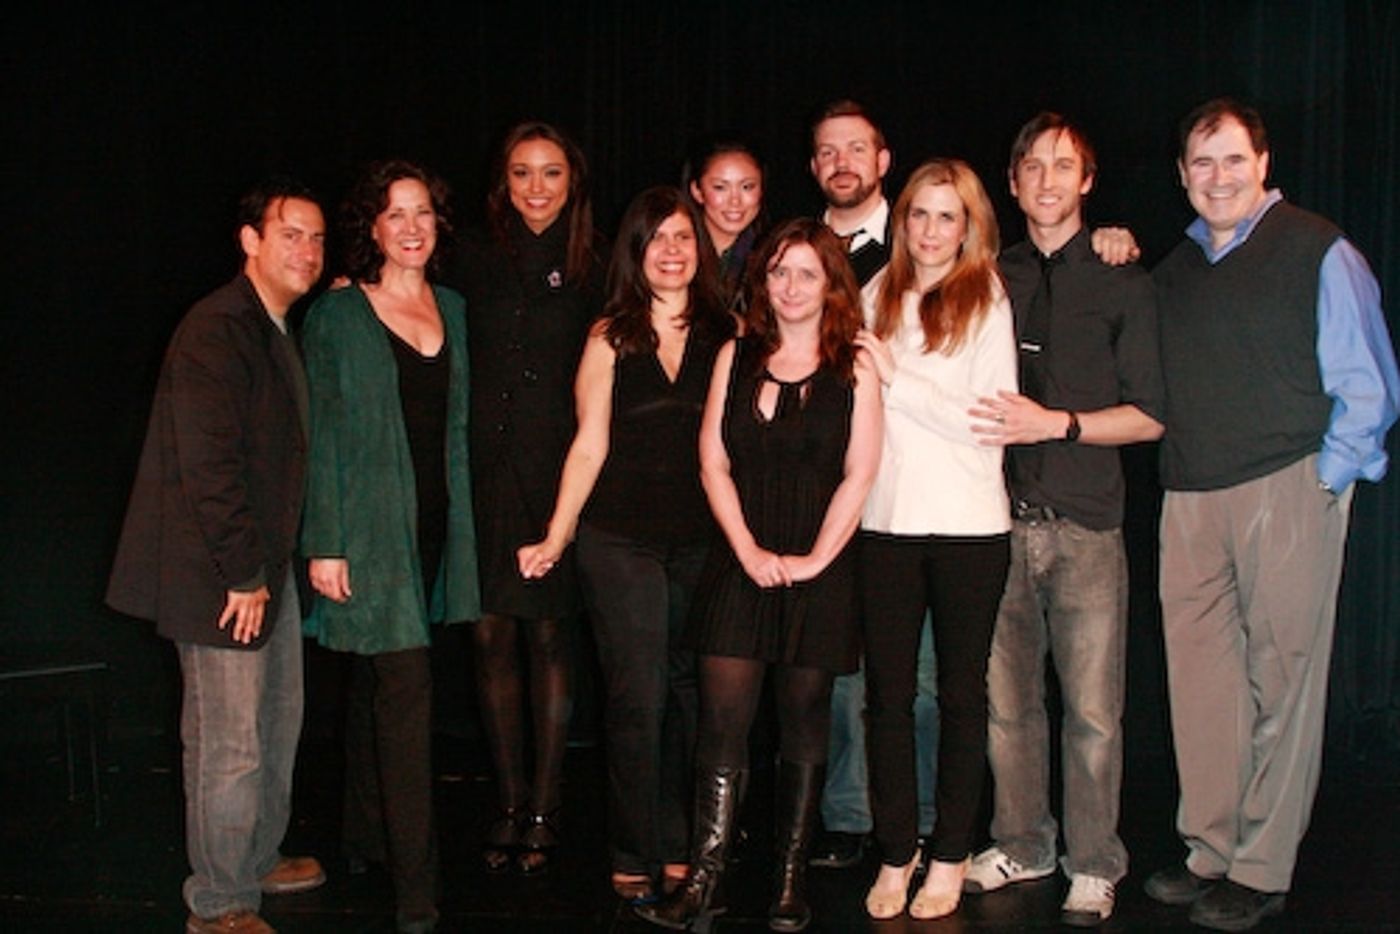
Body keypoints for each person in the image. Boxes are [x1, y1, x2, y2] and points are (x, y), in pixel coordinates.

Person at [1145, 98, 1399, 932]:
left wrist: (1327, 481)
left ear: (1263, 163)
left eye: (1233, 159)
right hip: (1190, 494)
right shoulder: (1174, 271)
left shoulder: (1319, 248)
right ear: (1182, 175)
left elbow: (1367, 384)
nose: (1217, 177)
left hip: (1287, 485)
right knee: (1202, 688)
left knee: (1282, 681)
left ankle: (1261, 867)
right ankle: (1210, 849)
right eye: (1202, 162)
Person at [637, 219, 882, 932]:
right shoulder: (736, 354)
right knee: (721, 722)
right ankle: (704, 882)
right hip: (739, 558)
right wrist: (746, 550)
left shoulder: (856, 365)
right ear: (762, 280)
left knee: (804, 720)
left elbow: (861, 472)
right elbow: (712, 460)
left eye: (807, 273)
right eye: (779, 272)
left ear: (831, 285)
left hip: (821, 564)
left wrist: (814, 561)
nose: (791, 287)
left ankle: (788, 882)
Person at [106, 177, 327, 934]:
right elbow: (208, 465)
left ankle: (255, 859)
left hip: (264, 568)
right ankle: (221, 901)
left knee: (276, 727)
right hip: (222, 577)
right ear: (250, 241)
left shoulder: (272, 326)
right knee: (229, 744)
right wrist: (243, 574)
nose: (307, 251)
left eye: (317, 239)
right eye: (290, 234)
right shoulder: (217, 327)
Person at [960, 112, 1164, 927]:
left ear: (1088, 180)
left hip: (1087, 525)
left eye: (1063, 165)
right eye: (1033, 167)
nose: (1047, 179)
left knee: (1093, 714)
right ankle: (1023, 843)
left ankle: (1094, 861)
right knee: (1008, 708)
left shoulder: (1123, 280)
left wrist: (1058, 424)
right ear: (1012, 184)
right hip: (996, 522)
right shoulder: (986, 277)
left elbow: (1149, 416)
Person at [518, 187, 733, 904]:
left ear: (700, 249)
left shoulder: (729, 332)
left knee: (689, 694)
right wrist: (557, 533)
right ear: (635, 253)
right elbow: (589, 444)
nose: (672, 251)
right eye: (656, 239)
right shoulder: (610, 335)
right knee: (637, 695)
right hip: (620, 541)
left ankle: (680, 842)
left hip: (703, 542)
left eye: (683, 237)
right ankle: (633, 846)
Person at [301, 159, 480, 934]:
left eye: (423, 213)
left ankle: (363, 836)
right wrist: (326, 543)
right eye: (395, 214)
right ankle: (416, 888)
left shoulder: (455, 307)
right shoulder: (338, 315)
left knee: (379, 685)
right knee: (407, 695)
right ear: (370, 227)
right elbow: (319, 435)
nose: (411, 227)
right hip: (369, 534)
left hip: (436, 531)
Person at [856, 158, 1017, 921]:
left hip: (968, 530)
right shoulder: (874, 296)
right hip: (884, 526)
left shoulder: (988, 299)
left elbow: (990, 422)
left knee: (960, 696)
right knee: (886, 699)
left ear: (968, 226)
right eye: (918, 213)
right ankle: (897, 852)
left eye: (946, 215)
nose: (929, 229)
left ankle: (950, 853)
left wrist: (898, 379)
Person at [442, 121, 603, 876]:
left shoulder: (597, 263)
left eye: (551, 173)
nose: (536, 188)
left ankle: (546, 803)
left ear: (573, 181)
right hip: (481, 474)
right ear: (501, 182)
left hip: (557, 478)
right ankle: (507, 801)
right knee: (488, 637)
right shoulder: (469, 256)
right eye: (521, 173)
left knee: (548, 638)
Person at [806, 98, 941, 873]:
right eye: (828, 152)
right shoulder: (800, 252)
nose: (842, 163)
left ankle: (918, 819)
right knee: (838, 668)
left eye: (856, 148)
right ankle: (850, 815)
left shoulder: (924, 241)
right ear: (813, 165)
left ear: (884, 161)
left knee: (917, 674)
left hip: (913, 488)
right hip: (827, 491)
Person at [683, 134, 766, 306]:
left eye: (747, 187)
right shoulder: (676, 252)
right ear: (697, 191)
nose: (735, 201)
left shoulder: (773, 254)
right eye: (720, 187)